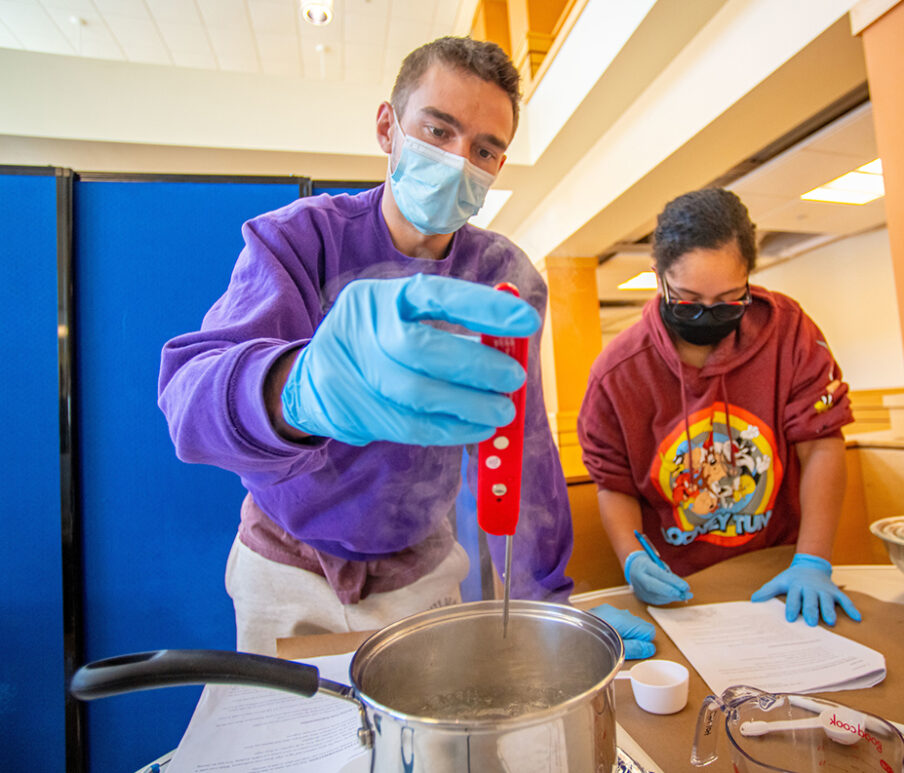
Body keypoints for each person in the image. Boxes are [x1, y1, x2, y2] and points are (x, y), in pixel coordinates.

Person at [158, 36, 652, 658]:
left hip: (419, 570)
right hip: (286, 565)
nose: (458, 160)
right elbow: (187, 401)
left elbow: (520, 449)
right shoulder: (299, 241)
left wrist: (546, 599)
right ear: (388, 127)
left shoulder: (504, 278)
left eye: (484, 149)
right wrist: (299, 389)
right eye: (438, 131)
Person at [577, 187, 862, 627]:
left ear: (749, 276)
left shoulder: (789, 332)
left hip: (780, 568)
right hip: (681, 586)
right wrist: (633, 558)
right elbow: (614, 483)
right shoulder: (618, 373)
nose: (708, 315)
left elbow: (822, 443)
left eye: (729, 300)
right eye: (688, 301)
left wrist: (813, 561)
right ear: (659, 278)